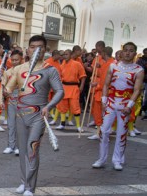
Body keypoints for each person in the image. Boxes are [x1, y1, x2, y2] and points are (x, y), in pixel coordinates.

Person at [3, 35, 64, 196]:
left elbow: (60, 91)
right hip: (20, 114)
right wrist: (6, 91)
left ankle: (30, 186)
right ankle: (24, 181)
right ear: (27, 49)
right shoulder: (19, 69)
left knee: (32, 149)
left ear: (45, 50)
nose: (36, 50)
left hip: (38, 114)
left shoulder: (50, 70)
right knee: (22, 150)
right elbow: (9, 87)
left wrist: (48, 106)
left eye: (40, 47)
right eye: (32, 47)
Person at [92, 42, 144, 171]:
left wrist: (130, 105)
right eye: (125, 50)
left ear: (135, 53)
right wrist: (104, 100)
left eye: (131, 50)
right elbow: (105, 84)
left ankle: (117, 159)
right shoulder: (113, 66)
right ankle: (101, 159)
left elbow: (137, 90)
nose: (127, 53)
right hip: (111, 102)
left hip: (125, 105)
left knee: (121, 133)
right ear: (122, 51)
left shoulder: (138, 69)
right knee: (104, 131)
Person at [56, 47, 86, 131]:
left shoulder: (77, 64)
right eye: (64, 54)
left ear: (71, 55)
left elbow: (83, 76)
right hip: (64, 87)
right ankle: (62, 123)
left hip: (73, 87)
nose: (65, 56)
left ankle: (78, 126)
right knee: (62, 106)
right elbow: (60, 76)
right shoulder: (62, 64)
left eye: (67, 54)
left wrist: (81, 86)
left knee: (75, 106)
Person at [88, 43, 114, 140]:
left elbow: (106, 82)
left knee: (100, 113)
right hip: (103, 91)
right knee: (101, 113)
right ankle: (101, 132)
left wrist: (97, 85)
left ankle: (100, 133)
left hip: (104, 92)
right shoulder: (108, 63)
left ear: (104, 53)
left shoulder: (110, 64)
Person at [0, 50, 23, 155]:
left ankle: (19, 146)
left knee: (20, 125)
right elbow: (2, 87)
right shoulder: (7, 72)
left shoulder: (25, 71)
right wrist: (1, 100)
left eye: (16, 60)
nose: (14, 62)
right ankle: (10, 146)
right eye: (12, 60)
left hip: (23, 101)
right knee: (11, 124)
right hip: (11, 101)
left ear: (21, 59)